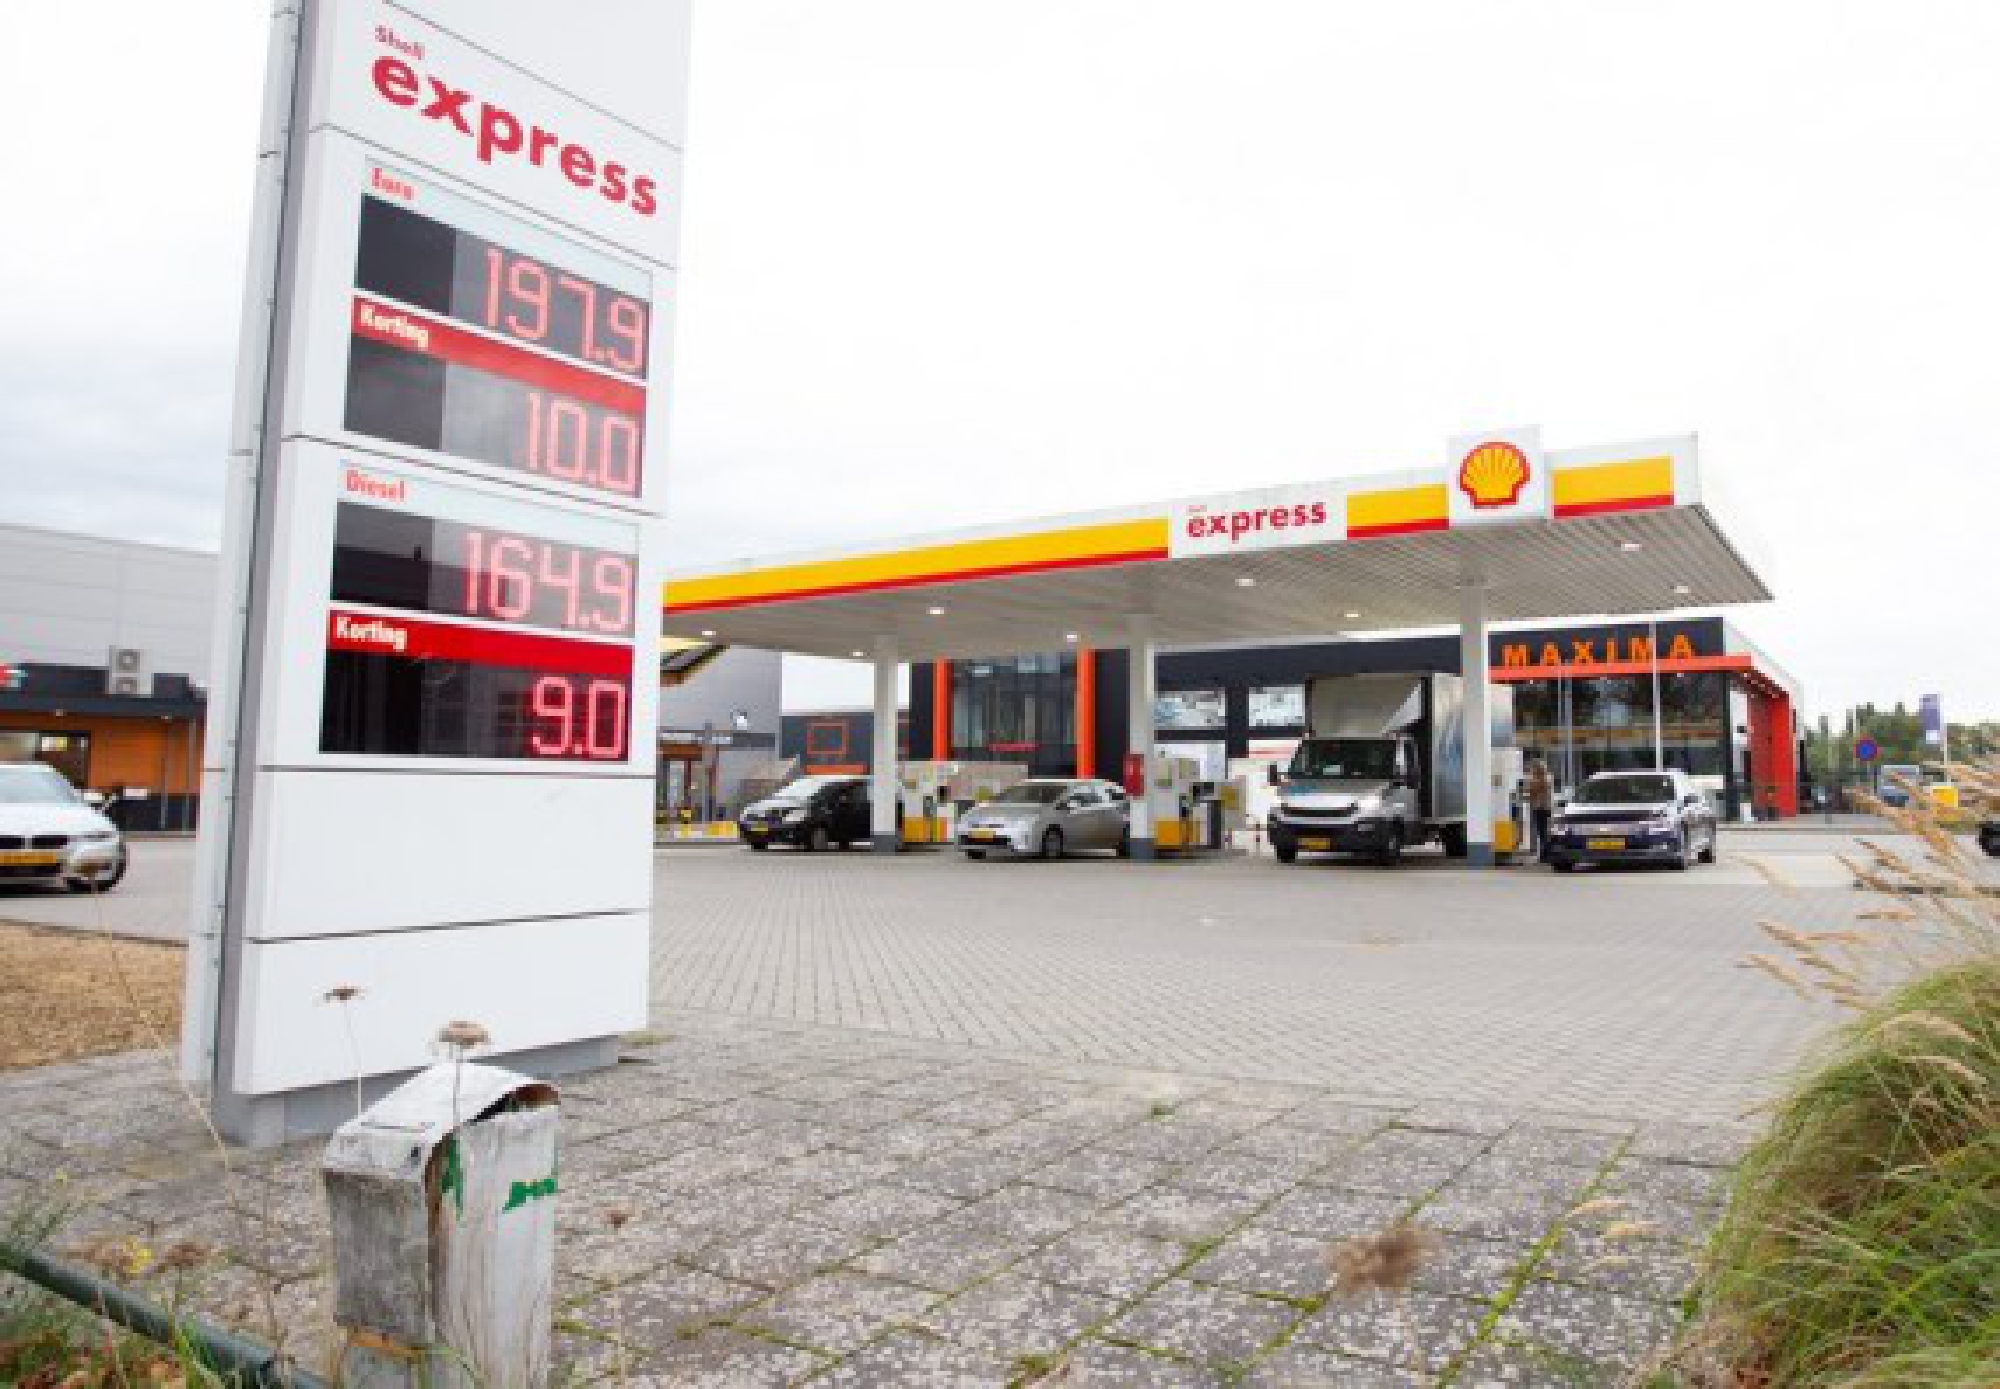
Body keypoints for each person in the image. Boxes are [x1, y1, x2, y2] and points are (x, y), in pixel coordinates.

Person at [1525, 756, 1555, 862]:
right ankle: (1545, 854)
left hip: (1540, 808)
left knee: (1542, 832)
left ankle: (1545, 855)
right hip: (1546, 808)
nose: (1532, 770)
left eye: (1533, 768)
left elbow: (1531, 791)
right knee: (1544, 831)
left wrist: (1530, 783)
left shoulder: (1540, 780)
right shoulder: (1548, 778)